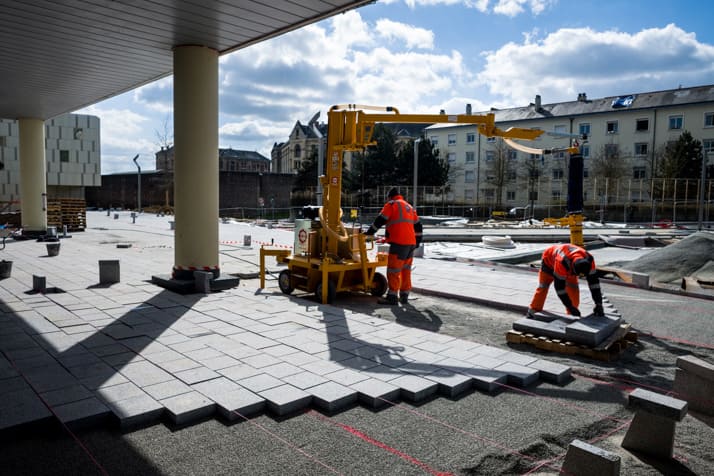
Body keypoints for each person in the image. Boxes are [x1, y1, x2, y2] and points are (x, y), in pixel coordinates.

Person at [364, 187, 422, 305]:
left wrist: (369, 233)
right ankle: (404, 295)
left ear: (389, 197)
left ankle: (392, 297)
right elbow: (418, 226)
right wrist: (417, 242)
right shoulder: (409, 207)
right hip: (410, 244)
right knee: (406, 270)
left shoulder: (391, 205)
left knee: (393, 270)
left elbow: (380, 220)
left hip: (399, 244)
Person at [528, 243, 604, 318]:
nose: (578, 276)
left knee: (573, 288)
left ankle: (572, 315)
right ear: (573, 268)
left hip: (569, 263)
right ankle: (533, 310)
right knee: (543, 286)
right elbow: (560, 289)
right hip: (549, 261)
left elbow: (594, 284)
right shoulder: (562, 261)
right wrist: (569, 306)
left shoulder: (589, 260)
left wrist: (598, 304)